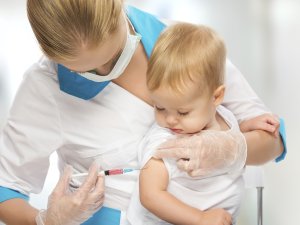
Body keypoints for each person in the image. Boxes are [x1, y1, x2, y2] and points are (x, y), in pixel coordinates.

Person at [0, 1, 286, 225]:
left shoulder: (185, 46)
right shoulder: (43, 87)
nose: (105, 72)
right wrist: (44, 221)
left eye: (112, 57)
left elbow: (274, 141)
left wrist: (232, 147)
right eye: (84, 70)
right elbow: (6, 191)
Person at [127, 23, 280, 225]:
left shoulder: (224, 116)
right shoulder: (164, 144)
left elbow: (225, 138)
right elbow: (150, 196)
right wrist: (199, 218)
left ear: (216, 97)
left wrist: (247, 126)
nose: (170, 120)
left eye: (183, 112)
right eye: (159, 107)